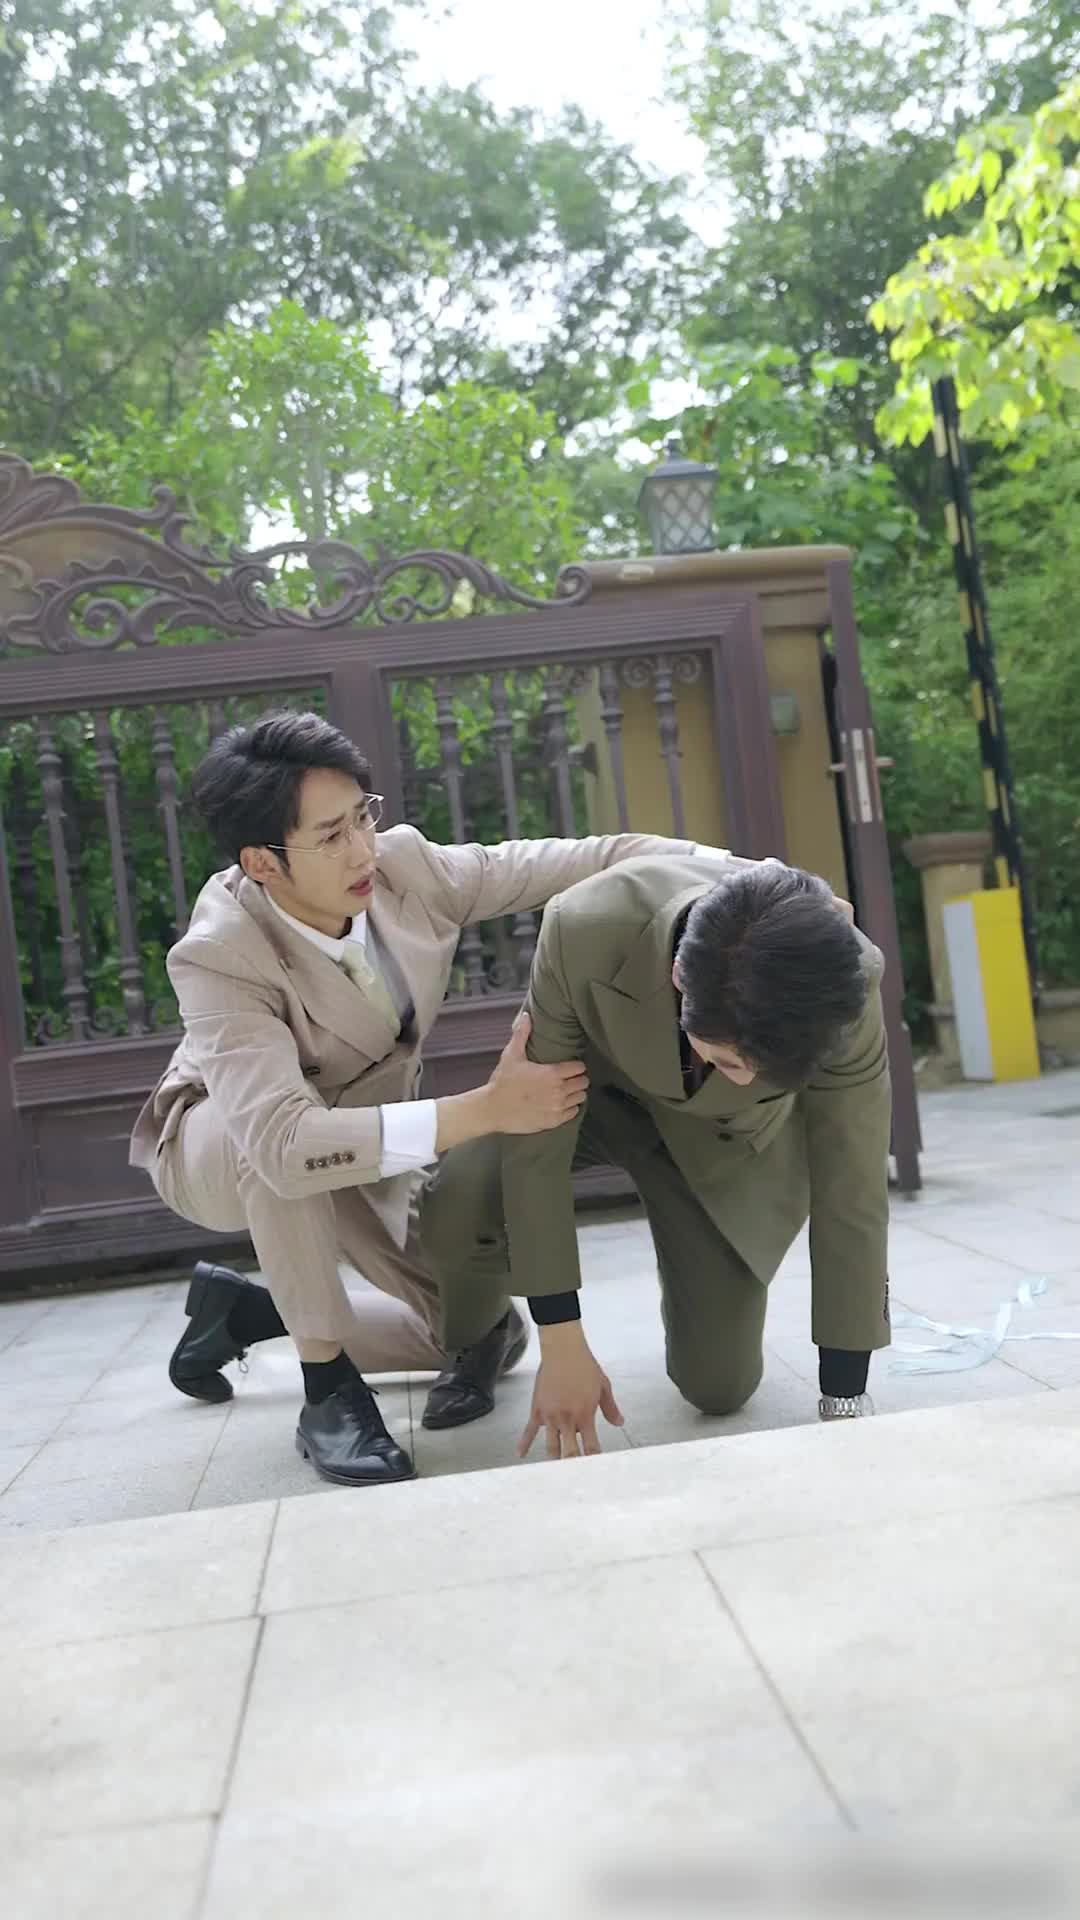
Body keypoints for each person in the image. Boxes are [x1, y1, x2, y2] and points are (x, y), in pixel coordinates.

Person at [130, 708, 761, 1489]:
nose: (362, 849)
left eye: (362, 816)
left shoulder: (406, 869)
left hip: (363, 1133)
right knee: (272, 1147)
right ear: (262, 862)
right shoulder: (219, 951)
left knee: (472, 1328)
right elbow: (285, 1143)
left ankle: (245, 1314)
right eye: (330, 836)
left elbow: (594, 859)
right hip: (220, 1139)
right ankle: (327, 1393)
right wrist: (488, 1110)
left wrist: (752, 877)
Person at [431, 853, 892, 1462]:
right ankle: (485, 1334)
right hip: (587, 1100)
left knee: (719, 1387)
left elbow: (852, 1184)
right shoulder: (582, 927)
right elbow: (536, 1140)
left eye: (766, 1072)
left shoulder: (846, 982)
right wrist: (560, 1336)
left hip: (718, 1145)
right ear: (680, 977)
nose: (746, 1078)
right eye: (728, 1060)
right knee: (460, 1189)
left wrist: (844, 1400)